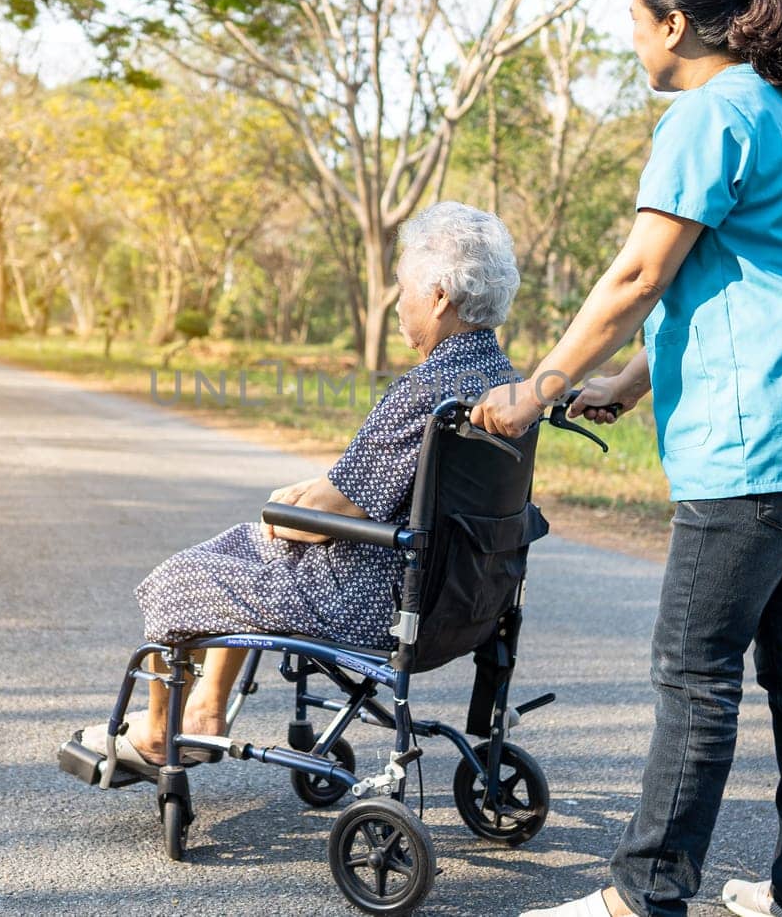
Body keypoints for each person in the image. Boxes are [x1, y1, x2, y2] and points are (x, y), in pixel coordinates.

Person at [470, 0, 782, 917]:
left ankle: (641, 896)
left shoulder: (706, 115)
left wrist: (538, 385)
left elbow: (640, 273)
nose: (631, 43)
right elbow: (747, 285)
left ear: (670, 24)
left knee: (695, 669)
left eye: (632, 24)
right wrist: (624, 382)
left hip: (759, 450)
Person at [80, 201, 523, 777]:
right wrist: (313, 492)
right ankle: (208, 712)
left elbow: (324, 516)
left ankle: (162, 729)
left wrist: (283, 512)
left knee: (189, 573)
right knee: (244, 553)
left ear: (439, 297)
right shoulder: (505, 386)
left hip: (377, 600)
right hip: (469, 601)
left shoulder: (425, 392)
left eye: (404, 288)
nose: (398, 303)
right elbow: (391, 481)